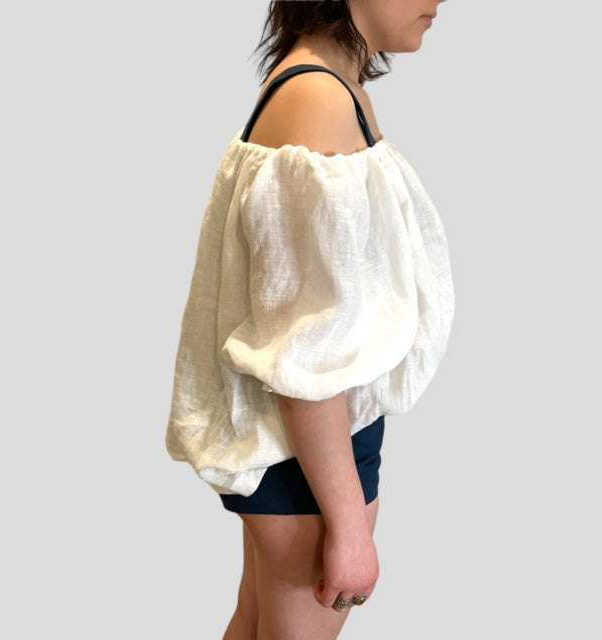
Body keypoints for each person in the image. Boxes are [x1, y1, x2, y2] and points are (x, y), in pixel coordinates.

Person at [165, 1, 454, 638]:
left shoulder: (326, 87)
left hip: (307, 452)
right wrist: (349, 527)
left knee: (255, 623)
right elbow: (307, 352)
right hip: (311, 461)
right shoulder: (318, 102)